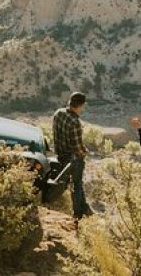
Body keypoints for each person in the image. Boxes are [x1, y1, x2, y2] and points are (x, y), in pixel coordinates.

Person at [52, 91, 92, 221]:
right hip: (73, 158)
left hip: (61, 154)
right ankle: (78, 214)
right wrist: (85, 152)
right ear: (80, 105)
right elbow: (78, 147)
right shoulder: (75, 122)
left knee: (75, 183)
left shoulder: (58, 113)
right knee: (77, 184)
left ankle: (85, 208)